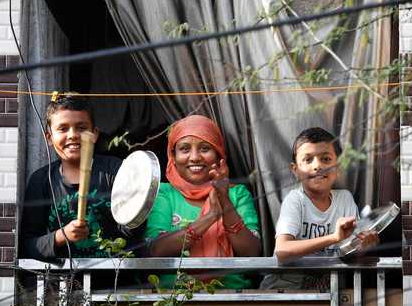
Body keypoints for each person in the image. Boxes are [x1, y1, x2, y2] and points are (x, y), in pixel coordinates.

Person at [145, 115, 261, 289]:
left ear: (219, 155)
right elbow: (157, 250)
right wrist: (211, 216)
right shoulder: (164, 193)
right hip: (174, 299)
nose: (195, 157)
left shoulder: (237, 193)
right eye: (184, 149)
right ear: (173, 156)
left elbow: (251, 252)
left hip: (233, 296)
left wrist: (225, 202)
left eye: (205, 148)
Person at [261, 127, 378, 289]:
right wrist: (333, 238)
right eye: (308, 160)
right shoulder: (295, 200)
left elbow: (352, 251)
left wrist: (366, 245)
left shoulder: (345, 199)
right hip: (282, 293)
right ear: (295, 170)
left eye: (326, 159)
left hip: (328, 294)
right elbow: (282, 251)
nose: (318, 166)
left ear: (338, 167)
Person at [19, 93, 125, 260]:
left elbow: (133, 231)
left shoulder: (115, 171)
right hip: (62, 283)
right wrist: (61, 236)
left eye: (81, 128)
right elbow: (27, 246)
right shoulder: (41, 181)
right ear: (49, 137)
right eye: (62, 129)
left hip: (115, 280)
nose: (73, 135)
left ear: (95, 134)